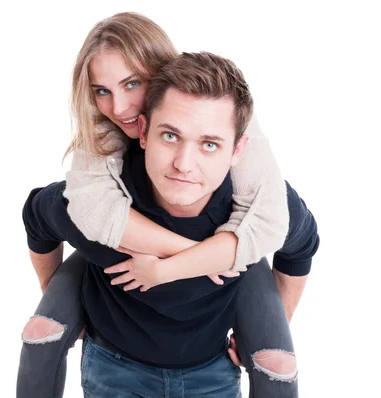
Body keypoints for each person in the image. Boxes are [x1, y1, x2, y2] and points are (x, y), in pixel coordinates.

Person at [17, 12, 317, 398]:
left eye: (132, 84)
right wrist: (208, 256)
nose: (120, 107)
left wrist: (272, 324)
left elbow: (299, 239)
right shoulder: (97, 185)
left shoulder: (248, 180)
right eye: (102, 90)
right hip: (115, 365)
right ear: (144, 133)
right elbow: (40, 214)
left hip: (210, 369)